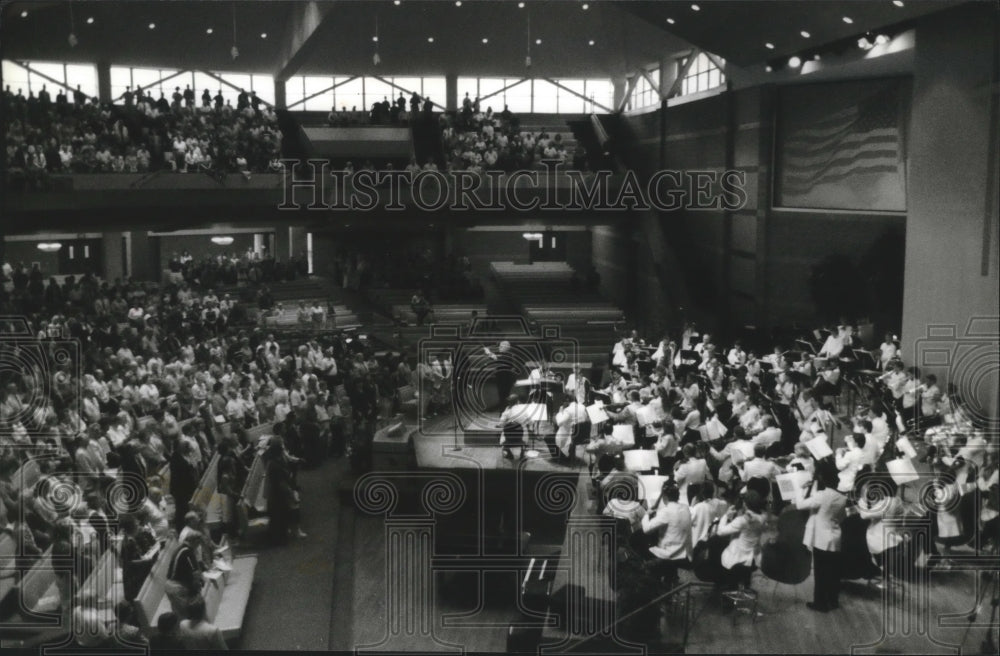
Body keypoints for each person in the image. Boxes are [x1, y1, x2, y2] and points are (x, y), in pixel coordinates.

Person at [796, 460, 848, 612]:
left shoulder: (822, 495)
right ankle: (833, 600)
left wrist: (800, 489)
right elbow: (842, 517)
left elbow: (800, 505)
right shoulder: (842, 497)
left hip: (821, 539)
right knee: (833, 572)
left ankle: (820, 603)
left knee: (821, 573)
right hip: (835, 536)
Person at [640, 483, 692, 588]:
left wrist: (646, 514)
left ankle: (654, 582)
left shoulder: (665, 511)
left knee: (640, 547)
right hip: (684, 552)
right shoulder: (686, 508)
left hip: (669, 554)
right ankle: (669, 576)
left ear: (665, 497)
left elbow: (646, 529)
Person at [717, 489, 767, 591]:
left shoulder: (742, 521)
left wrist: (726, 515)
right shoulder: (763, 518)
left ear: (745, 504)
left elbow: (720, 532)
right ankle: (744, 582)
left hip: (737, 559)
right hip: (752, 558)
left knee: (717, 547)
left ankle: (725, 586)